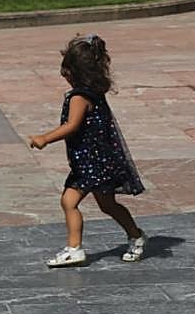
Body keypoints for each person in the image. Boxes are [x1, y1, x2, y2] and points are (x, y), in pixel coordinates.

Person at [27, 34, 147, 267]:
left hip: (93, 164)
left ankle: (80, 247)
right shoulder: (94, 92)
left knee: (72, 202)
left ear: (73, 73)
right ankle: (132, 236)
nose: (63, 74)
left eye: (66, 70)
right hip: (92, 162)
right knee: (103, 204)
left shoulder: (79, 97)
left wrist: (45, 138)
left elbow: (71, 126)